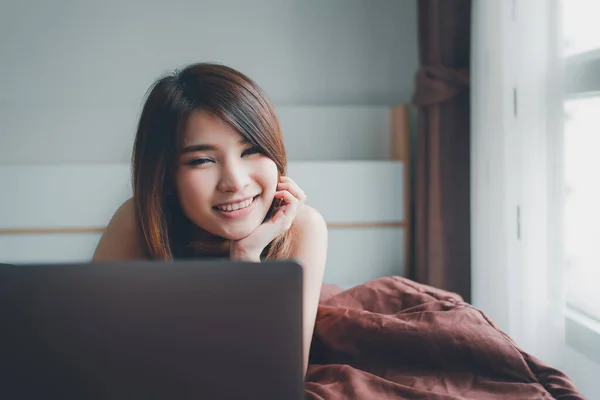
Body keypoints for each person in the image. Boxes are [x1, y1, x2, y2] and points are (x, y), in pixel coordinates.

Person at [92, 62, 328, 375]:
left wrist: (245, 258)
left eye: (251, 150)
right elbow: (91, 357)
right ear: (166, 177)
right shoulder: (136, 222)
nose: (235, 182)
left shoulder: (301, 227)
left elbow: (279, 378)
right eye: (203, 160)